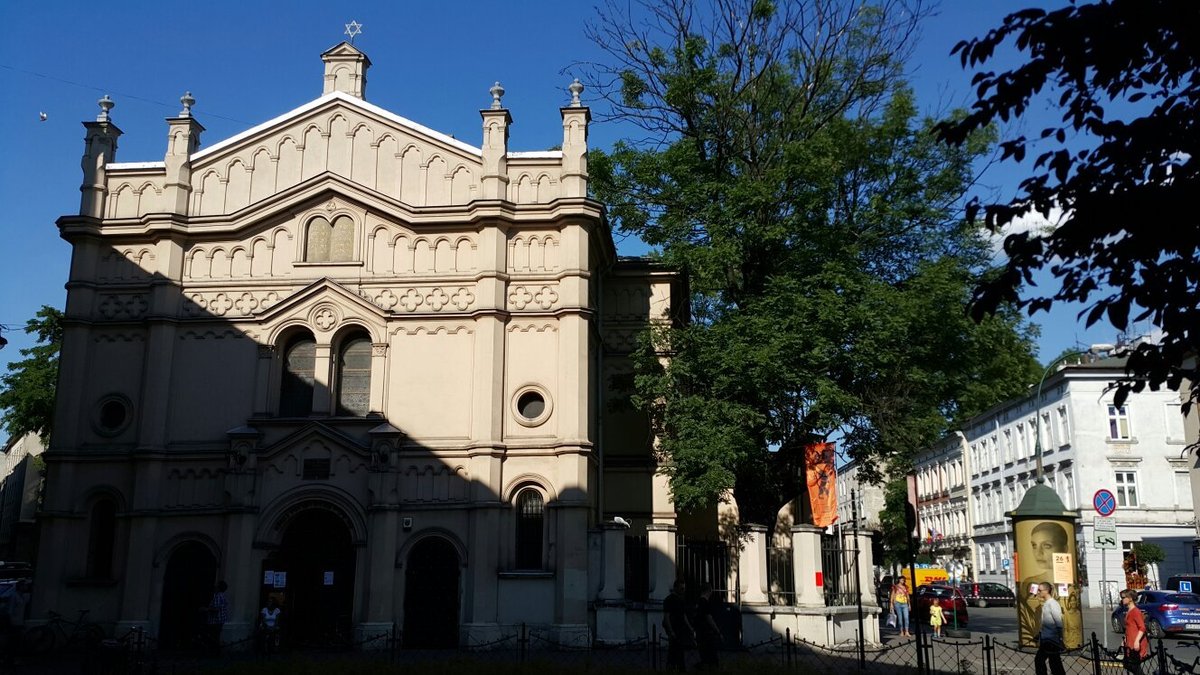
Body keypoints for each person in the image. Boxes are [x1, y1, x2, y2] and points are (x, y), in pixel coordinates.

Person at [1019, 522, 1070, 645]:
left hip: (1051, 639)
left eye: (1047, 546)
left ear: (1064, 548)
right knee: (1048, 660)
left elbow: (1059, 620)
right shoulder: (1030, 583)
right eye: (1034, 545)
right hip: (1046, 638)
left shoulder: (1069, 584)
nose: (1038, 552)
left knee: (1048, 660)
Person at [1033, 582, 1066, 675]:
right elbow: (1046, 623)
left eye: (1040, 590)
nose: (1038, 592)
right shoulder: (1047, 604)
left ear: (1046, 591)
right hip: (1047, 639)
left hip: (1051, 640)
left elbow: (1059, 623)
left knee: (1040, 660)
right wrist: (1039, 634)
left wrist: (1060, 639)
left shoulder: (1053, 604)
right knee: (1054, 663)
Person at [662, 579, 694, 671]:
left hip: (680, 629)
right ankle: (675, 668)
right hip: (674, 628)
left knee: (677, 651)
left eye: (684, 589)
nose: (683, 591)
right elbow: (666, 617)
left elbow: (683, 615)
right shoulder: (669, 600)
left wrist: (689, 627)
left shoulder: (681, 600)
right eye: (681, 588)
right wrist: (670, 631)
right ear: (675, 588)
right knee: (674, 651)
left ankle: (676, 668)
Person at [1, 579, 32, 666]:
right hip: (14, 623)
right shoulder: (14, 596)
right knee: (13, 642)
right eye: (25, 585)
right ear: (20, 587)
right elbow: (9, 611)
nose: (26, 587)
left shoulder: (23, 596)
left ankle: (9, 658)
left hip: (19, 622)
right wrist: (10, 623)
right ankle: (9, 659)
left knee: (15, 641)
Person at [694, 583, 722, 670]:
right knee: (712, 659)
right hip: (707, 634)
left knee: (704, 656)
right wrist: (717, 631)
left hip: (699, 633)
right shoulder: (705, 603)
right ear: (709, 591)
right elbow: (709, 618)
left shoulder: (698, 602)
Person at [1120, 589, 1149, 673]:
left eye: (1123, 597)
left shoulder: (1135, 612)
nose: (1122, 599)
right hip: (1130, 642)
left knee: (1134, 666)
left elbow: (1142, 627)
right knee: (1129, 665)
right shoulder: (1129, 611)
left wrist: (1137, 641)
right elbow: (1129, 628)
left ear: (1130, 599)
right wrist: (1125, 639)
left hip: (1135, 643)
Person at [205, 580, 229, 653]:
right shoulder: (222, 595)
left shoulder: (218, 596)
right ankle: (215, 652)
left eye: (216, 585)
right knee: (215, 636)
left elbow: (216, 608)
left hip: (216, 620)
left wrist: (206, 609)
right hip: (219, 620)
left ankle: (215, 652)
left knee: (214, 637)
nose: (215, 586)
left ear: (219, 587)